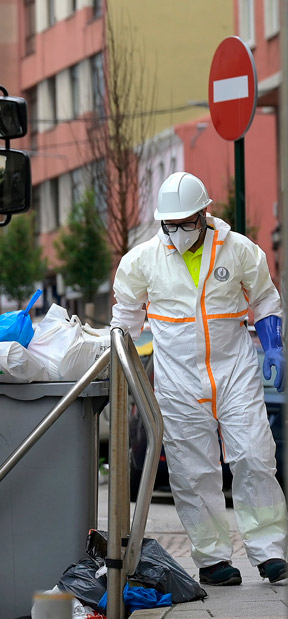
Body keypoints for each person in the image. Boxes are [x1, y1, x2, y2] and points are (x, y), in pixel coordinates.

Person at [111, 171, 287, 586]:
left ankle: (270, 551)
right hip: (179, 381)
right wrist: (119, 363)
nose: (177, 232)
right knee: (193, 472)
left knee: (255, 456)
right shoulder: (142, 261)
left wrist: (274, 344)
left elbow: (264, 299)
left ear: (204, 214)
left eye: (185, 223)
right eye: (169, 225)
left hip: (234, 372)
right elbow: (125, 318)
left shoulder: (239, 251)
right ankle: (213, 560)